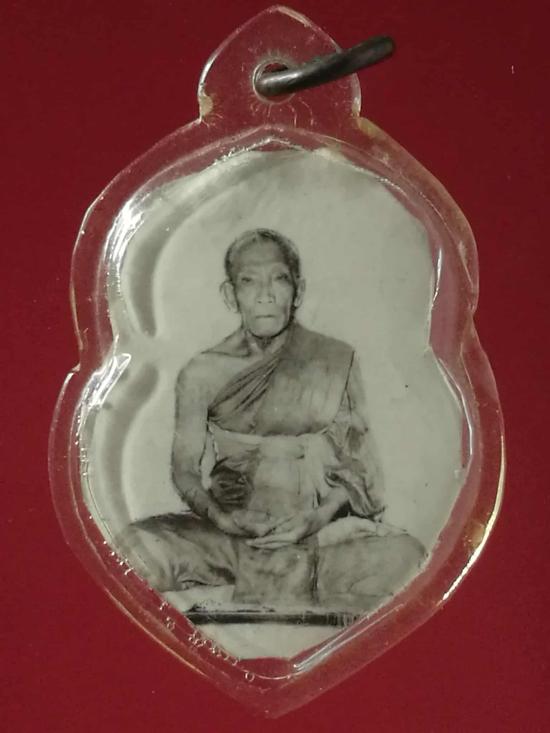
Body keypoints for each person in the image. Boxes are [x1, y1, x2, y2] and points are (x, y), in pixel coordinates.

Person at [119, 229, 424, 612]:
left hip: (315, 534)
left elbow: (359, 467)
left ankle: (278, 584)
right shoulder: (201, 372)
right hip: (231, 535)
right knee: (135, 550)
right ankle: (290, 588)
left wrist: (315, 518)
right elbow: (185, 470)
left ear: (298, 290)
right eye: (249, 282)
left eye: (279, 279)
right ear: (230, 295)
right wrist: (223, 518)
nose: (265, 295)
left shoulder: (333, 359)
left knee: (408, 558)